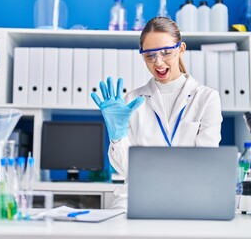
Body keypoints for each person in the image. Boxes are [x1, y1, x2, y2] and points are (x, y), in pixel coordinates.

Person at [91, 17, 222, 209]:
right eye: (149, 55)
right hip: (136, 198)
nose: (158, 62)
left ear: (181, 49)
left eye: (166, 52)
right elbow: (126, 170)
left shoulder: (206, 98)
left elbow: (204, 163)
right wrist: (117, 137)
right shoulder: (132, 101)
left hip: (188, 197)